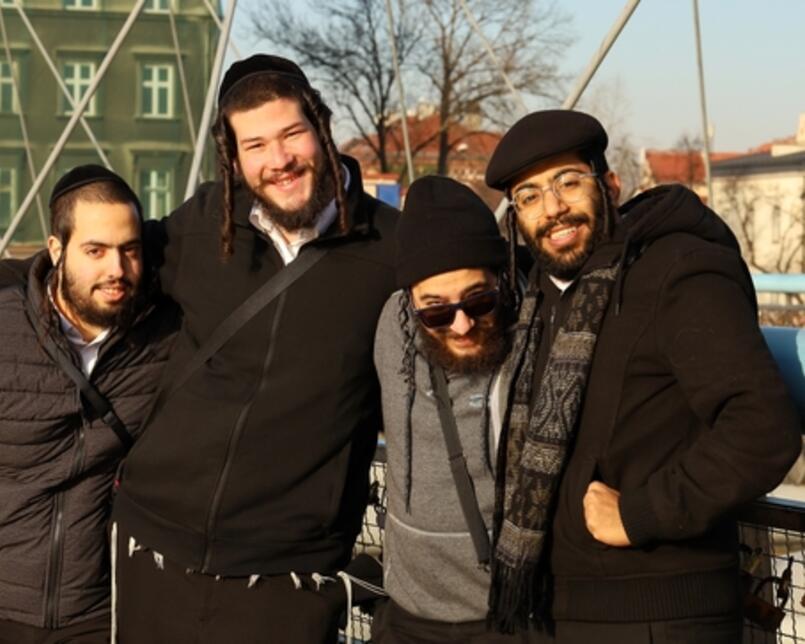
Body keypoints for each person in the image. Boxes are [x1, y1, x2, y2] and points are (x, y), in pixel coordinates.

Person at [482, 109, 802, 644]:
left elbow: (763, 428)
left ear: (609, 184)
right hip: (554, 610)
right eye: (530, 195)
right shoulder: (540, 297)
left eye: (568, 182)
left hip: (658, 615)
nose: (553, 208)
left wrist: (639, 513)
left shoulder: (678, 270)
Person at [111, 54, 399, 643]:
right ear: (233, 158)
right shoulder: (199, 229)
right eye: (256, 145)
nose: (279, 160)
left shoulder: (390, 249)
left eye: (292, 133)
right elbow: (99, 282)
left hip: (287, 577)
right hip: (154, 551)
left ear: (320, 127)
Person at [0, 165, 177, 643]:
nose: (116, 270)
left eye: (129, 250)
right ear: (56, 249)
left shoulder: (164, 337)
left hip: (98, 614)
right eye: (95, 251)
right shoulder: (6, 326)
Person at [373, 175, 550, 643]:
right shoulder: (390, 326)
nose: (462, 324)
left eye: (479, 300)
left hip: (508, 617)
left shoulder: (542, 333)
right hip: (407, 614)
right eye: (435, 311)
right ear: (410, 304)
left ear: (502, 278)